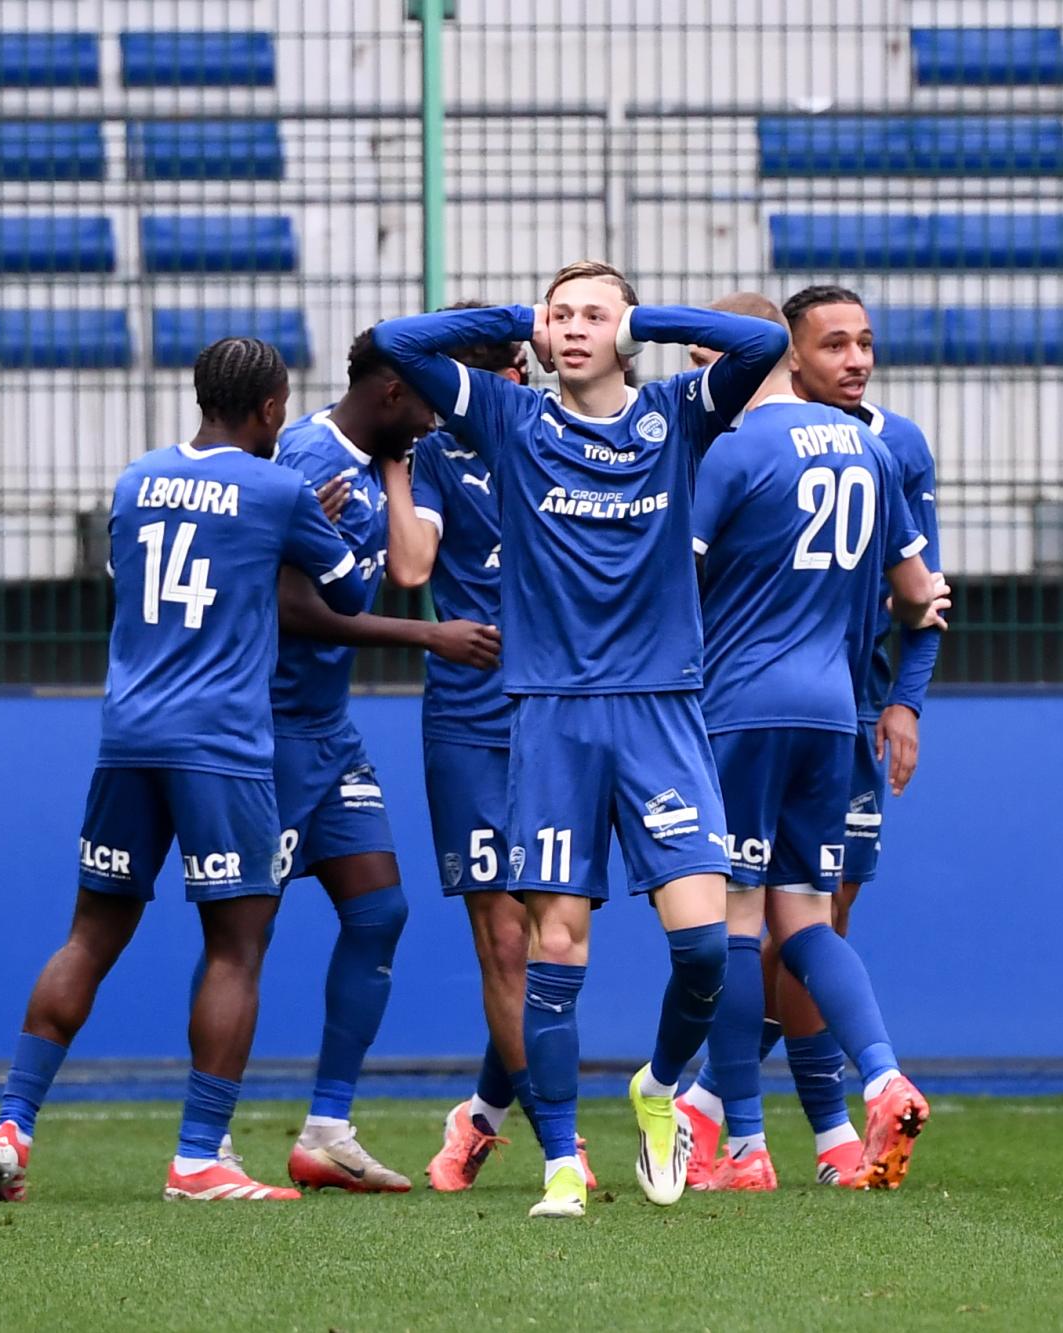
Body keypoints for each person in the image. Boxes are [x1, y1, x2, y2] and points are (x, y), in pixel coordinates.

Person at [372, 262, 789, 1219]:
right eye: (558, 316)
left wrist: (638, 316)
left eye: (592, 315)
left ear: (628, 331)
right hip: (552, 716)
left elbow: (767, 343)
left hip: (662, 713)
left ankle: (659, 1088)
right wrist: (522, 313)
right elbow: (397, 342)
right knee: (555, 942)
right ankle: (562, 1161)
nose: (571, 328)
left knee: (704, 951)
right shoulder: (513, 421)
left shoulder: (678, 413)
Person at [0, 337, 368, 1204]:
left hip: (127, 736)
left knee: (90, 933)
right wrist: (317, 532)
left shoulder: (135, 477)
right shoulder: (278, 487)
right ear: (271, 411)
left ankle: (14, 1122)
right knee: (235, 945)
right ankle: (198, 1155)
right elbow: (347, 595)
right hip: (222, 746)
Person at [197, 329, 501, 1193]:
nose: (447, 412)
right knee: (242, 935)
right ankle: (203, 1145)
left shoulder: (379, 464)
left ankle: (327, 1128)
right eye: (435, 395)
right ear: (397, 393)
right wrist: (426, 633)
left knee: (380, 912)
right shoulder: (302, 456)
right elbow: (287, 605)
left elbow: (403, 565)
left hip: (329, 733)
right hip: (269, 734)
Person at [670, 293, 944, 1193]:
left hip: (741, 708)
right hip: (836, 711)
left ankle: (744, 1146)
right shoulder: (872, 445)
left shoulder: (738, 450)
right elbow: (920, 593)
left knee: (738, 921)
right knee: (808, 914)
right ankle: (884, 1074)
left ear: (744, 359)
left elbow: (672, 583)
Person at [379, 309, 595, 1191]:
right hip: (470, 719)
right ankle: (563, 1145)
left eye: (519, 365)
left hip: (565, 715)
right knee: (504, 943)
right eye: (508, 366)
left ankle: (480, 1113)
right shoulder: (435, 458)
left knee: (556, 943)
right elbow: (411, 568)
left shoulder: (571, 441)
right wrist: (394, 465)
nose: (520, 382)